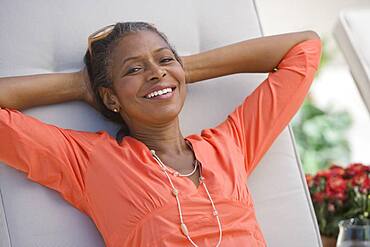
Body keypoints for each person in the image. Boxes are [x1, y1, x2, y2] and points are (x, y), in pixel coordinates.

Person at [0, 22, 321, 247]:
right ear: (111, 97)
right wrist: (83, 86)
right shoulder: (90, 162)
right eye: (133, 69)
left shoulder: (231, 145)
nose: (155, 72)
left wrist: (176, 71)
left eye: (164, 59)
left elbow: (305, 48)